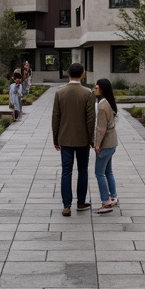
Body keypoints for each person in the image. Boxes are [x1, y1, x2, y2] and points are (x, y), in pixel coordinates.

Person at [51, 62, 95, 216]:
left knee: (66, 171)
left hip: (65, 138)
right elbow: (91, 119)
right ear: (83, 74)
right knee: (82, 170)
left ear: (68, 74)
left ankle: (66, 205)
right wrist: (91, 139)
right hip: (82, 139)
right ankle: (81, 202)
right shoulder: (88, 93)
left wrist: (55, 138)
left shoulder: (60, 93)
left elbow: (55, 117)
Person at [93, 78, 119, 214]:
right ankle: (113, 197)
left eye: (97, 88)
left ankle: (105, 201)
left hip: (105, 144)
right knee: (108, 171)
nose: (94, 90)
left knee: (99, 172)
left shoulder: (102, 106)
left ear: (102, 89)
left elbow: (101, 128)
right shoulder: (109, 102)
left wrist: (97, 144)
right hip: (112, 142)